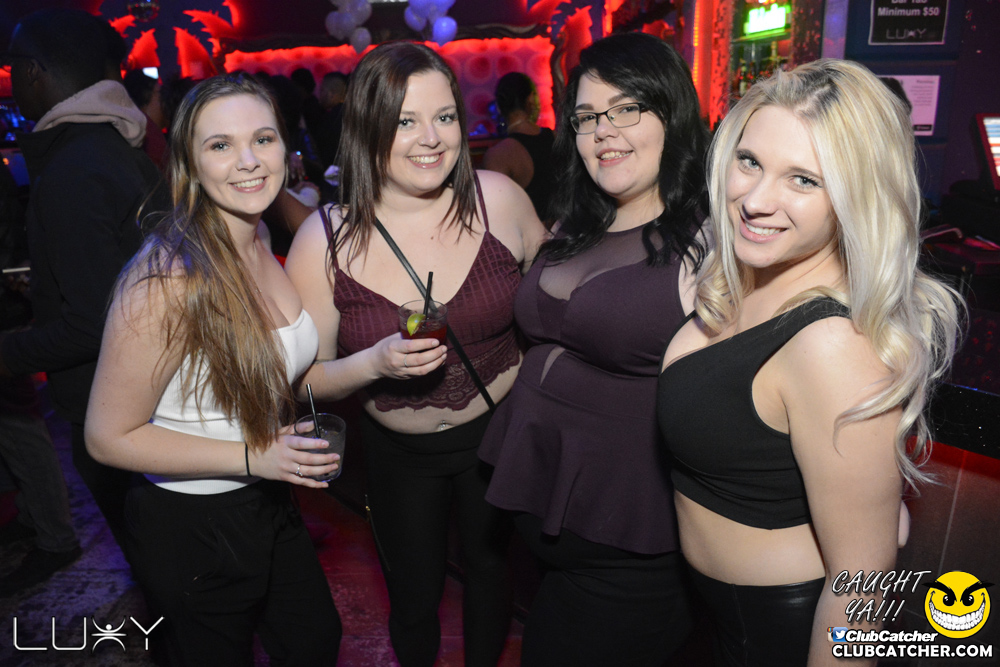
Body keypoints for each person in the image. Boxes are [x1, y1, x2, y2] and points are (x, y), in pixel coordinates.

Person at [658, 59, 960, 666]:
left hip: (784, 632)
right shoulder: (752, 277)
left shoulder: (832, 345)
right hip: (715, 615)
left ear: (854, 197)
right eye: (750, 162)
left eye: (803, 179)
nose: (755, 200)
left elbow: (862, 584)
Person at [285, 42, 545, 667]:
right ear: (367, 127)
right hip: (400, 456)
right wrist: (373, 364)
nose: (432, 139)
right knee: (413, 597)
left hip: (499, 437)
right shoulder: (324, 239)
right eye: (405, 121)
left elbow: (555, 306)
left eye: (445, 116)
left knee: (492, 574)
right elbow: (300, 383)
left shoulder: (499, 199)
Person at [85, 73, 342, 665]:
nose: (248, 161)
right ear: (189, 163)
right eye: (221, 145)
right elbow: (107, 436)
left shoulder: (258, 238)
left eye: (263, 139)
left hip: (268, 495)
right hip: (191, 521)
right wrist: (256, 456)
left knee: (314, 641)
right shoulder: (166, 277)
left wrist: (375, 363)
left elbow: (277, 372)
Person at [478, 33, 709, 666]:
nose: (604, 131)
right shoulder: (577, 221)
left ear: (672, 113)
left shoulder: (709, 242)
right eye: (586, 116)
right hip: (546, 515)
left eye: (626, 108)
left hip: (630, 552)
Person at [0, 8, 166, 549]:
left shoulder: (75, 165)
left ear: (33, 71)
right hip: (147, 389)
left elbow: (92, 323)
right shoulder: (115, 146)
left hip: (111, 399)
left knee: (157, 559)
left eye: (13, 66)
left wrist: (8, 353)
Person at [482, 72, 556, 226]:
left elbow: (496, 218)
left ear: (499, 108)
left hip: (530, 239)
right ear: (531, 99)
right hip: (567, 235)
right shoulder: (556, 138)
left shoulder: (499, 155)